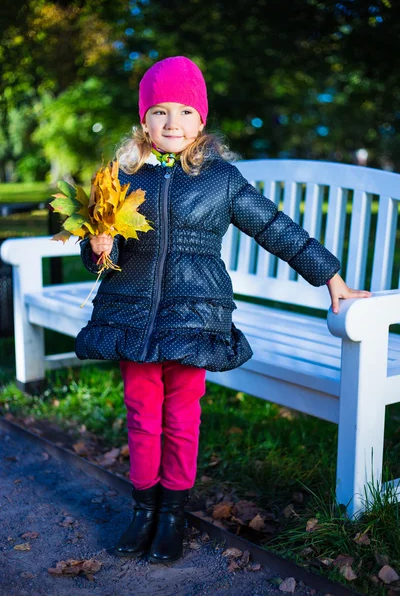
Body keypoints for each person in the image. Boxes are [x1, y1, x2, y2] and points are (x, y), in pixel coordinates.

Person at [75, 56, 372, 565]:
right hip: (131, 313)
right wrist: (98, 247)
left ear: (201, 121)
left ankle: (173, 515)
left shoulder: (221, 180)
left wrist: (330, 276)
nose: (173, 123)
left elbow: (276, 228)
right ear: (143, 120)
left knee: (182, 415)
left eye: (185, 112)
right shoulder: (121, 179)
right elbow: (104, 253)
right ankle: (144, 509)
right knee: (143, 414)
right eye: (161, 112)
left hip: (195, 318)